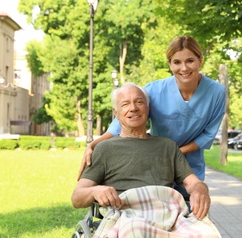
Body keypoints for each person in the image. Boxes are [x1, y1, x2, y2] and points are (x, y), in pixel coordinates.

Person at [78, 36, 226, 197]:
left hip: (189, 163)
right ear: (169, 64)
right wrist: (94, 145)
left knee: (190, 206)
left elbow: (207, 135)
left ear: (200, 60)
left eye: (190, 60)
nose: (184, 68)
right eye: (177, 62)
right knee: (154, 202)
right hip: (154, 163)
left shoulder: (216, 92)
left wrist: (172, 154)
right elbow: (125, 118)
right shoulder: (154, 90)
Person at [72, 83, 211, 219]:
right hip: (125, 219)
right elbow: (77, 197)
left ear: (148, 108)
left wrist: (200, 189)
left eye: (139, 102)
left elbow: (192, 182)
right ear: (116, 113)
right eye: (125, 104)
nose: (133, 108)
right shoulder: (105, 149)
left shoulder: (168, 147)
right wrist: (95, 191)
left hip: (166, 217)